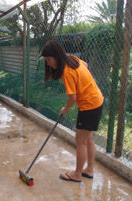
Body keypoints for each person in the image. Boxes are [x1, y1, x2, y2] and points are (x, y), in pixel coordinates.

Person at [41, 40, 104, 182]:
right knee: (88, 139)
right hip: (97, 100)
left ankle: (77, 174)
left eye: (49, 60)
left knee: (80, 141)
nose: (48, 64)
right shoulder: (73, 59)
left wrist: (65, 109)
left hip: (89, 106)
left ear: (56, 56)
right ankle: (89, 170)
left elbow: (72, 98)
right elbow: (85, 65)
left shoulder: (66, 72)